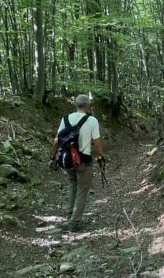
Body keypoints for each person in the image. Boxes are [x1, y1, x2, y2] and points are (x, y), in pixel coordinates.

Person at [48, 94, 105, 232]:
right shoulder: (92, 120)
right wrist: (100, 158)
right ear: (88, 105)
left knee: (73, 185)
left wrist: (52, 157)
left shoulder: (65, 119)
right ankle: (74, 222)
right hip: (83, 161)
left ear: (75, 104)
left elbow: (56, 141)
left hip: (67, 159)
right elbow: (97, 144)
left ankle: (69, 216)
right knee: (82, 189)